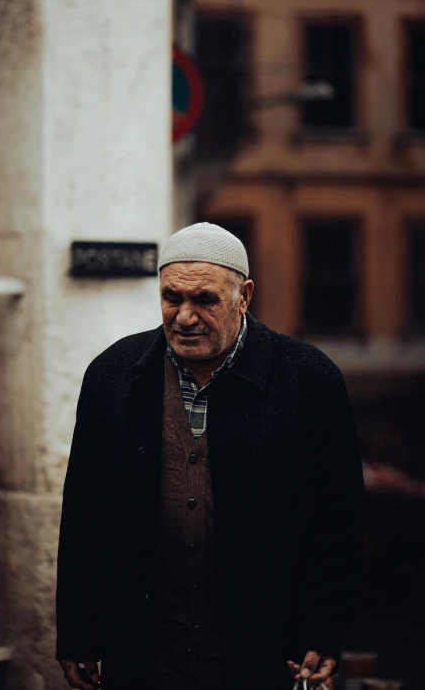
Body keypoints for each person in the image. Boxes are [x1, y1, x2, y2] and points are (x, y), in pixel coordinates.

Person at [56, 223, 364, 690]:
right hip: (144, 650)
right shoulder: (113, 374)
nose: (183, 316)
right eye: (171, 297)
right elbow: (84, 514)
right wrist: (78, 632)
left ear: (244, 295)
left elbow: (337, 521)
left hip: (262, 654)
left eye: (204, 300)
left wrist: (323, 629)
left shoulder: (309, 380)